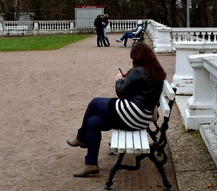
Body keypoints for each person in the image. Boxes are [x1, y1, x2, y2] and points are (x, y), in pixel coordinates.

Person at [66, 42, 167, 178]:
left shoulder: (139, 71)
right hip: (141, 117)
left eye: (133, 58)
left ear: (138, 57)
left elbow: (122, 92)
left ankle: (81, 137)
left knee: (95, 103)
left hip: (133, 115)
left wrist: (119, 79)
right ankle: (91, 164)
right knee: (93, 122)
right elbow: (141, 92)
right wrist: (129, 78)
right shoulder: (155, 70)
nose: (132, 61)